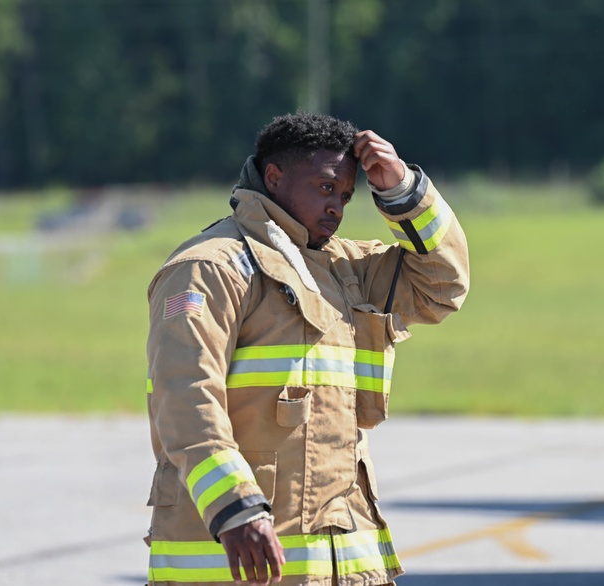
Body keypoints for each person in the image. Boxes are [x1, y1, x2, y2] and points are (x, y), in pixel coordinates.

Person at [145, 112, 469, 586]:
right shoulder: (209, 267)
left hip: (344, 564)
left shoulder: (346, 267)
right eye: (324, 187)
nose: (337, 206)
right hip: (237, 562)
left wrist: (401, 191)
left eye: (345, 195)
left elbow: (443, 286)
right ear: (274, 178)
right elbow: (186, 394)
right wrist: (234, 508)